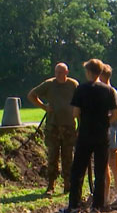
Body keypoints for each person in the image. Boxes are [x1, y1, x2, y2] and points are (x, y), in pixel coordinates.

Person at [59, 59, 117, 213]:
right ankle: (96, 208)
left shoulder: (81, 89)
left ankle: (74, 208)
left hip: (85, 135)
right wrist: (104, 121)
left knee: (78, 171)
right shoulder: (108, 90)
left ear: (89, 72)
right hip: (101, 136)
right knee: (100, 172)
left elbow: (75, 112)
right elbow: (115, 114)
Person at [27, 63, 79, 196]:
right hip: (53, 127)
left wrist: (80, 124)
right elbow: (31, 95)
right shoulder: (49, 84)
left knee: (68, 156)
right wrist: (44, 107)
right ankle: (51, 185)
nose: (58, 75)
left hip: (69, 126)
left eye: (61, 72)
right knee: (52, 156)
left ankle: (68, 183)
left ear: (66, 72)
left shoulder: (73, 85)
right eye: (56, 72)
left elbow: (79, 105)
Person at [100, 64, 117, 211]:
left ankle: (116, 197)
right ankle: (107, 197)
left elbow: (115, 115)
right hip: (110, 132)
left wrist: (101, 123)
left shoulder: (110, 93)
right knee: (107, 165)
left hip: (111, 132)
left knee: (111, 164)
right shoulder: (109, 92)